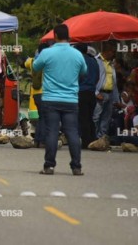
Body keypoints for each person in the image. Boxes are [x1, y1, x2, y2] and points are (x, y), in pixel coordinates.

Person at [33, 24, 87, 176]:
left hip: (51, 98)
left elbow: (36, 67)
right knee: (72, 133)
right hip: (71, 99)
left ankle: (49, 166)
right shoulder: (77, 54)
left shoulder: (47, 53)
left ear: (55, 36)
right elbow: (84, 72)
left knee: (52, 132)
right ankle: (76, 167)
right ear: (68, 36)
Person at [92, 41, 119, 139]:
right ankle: (93, 137)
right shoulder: (96, 61)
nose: (113, 54)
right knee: (96, 116)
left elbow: (114, 82)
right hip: (100, 93)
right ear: (106, 51)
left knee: (106, 118)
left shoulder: (111, 64)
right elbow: (91, 78)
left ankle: (101, 138)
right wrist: (96, 92)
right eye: (112, 51)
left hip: (110, 93)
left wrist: (116, 99)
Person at [24, 43, 49, 148]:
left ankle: (37, 140)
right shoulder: (47, 62)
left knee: (41, 117)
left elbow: (25, 63)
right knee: (45, 118)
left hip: (35, 94)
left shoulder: (33, 61)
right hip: (45, 93)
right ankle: (42, 140)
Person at [75, 43, 99, 148]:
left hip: (81, 91)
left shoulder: (79, 60)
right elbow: (97, 76)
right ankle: (93, 139)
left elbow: (77, 76)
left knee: (83, 118)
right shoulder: (94, 61)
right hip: (91, 92)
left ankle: (86, 141)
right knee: (90, 117)